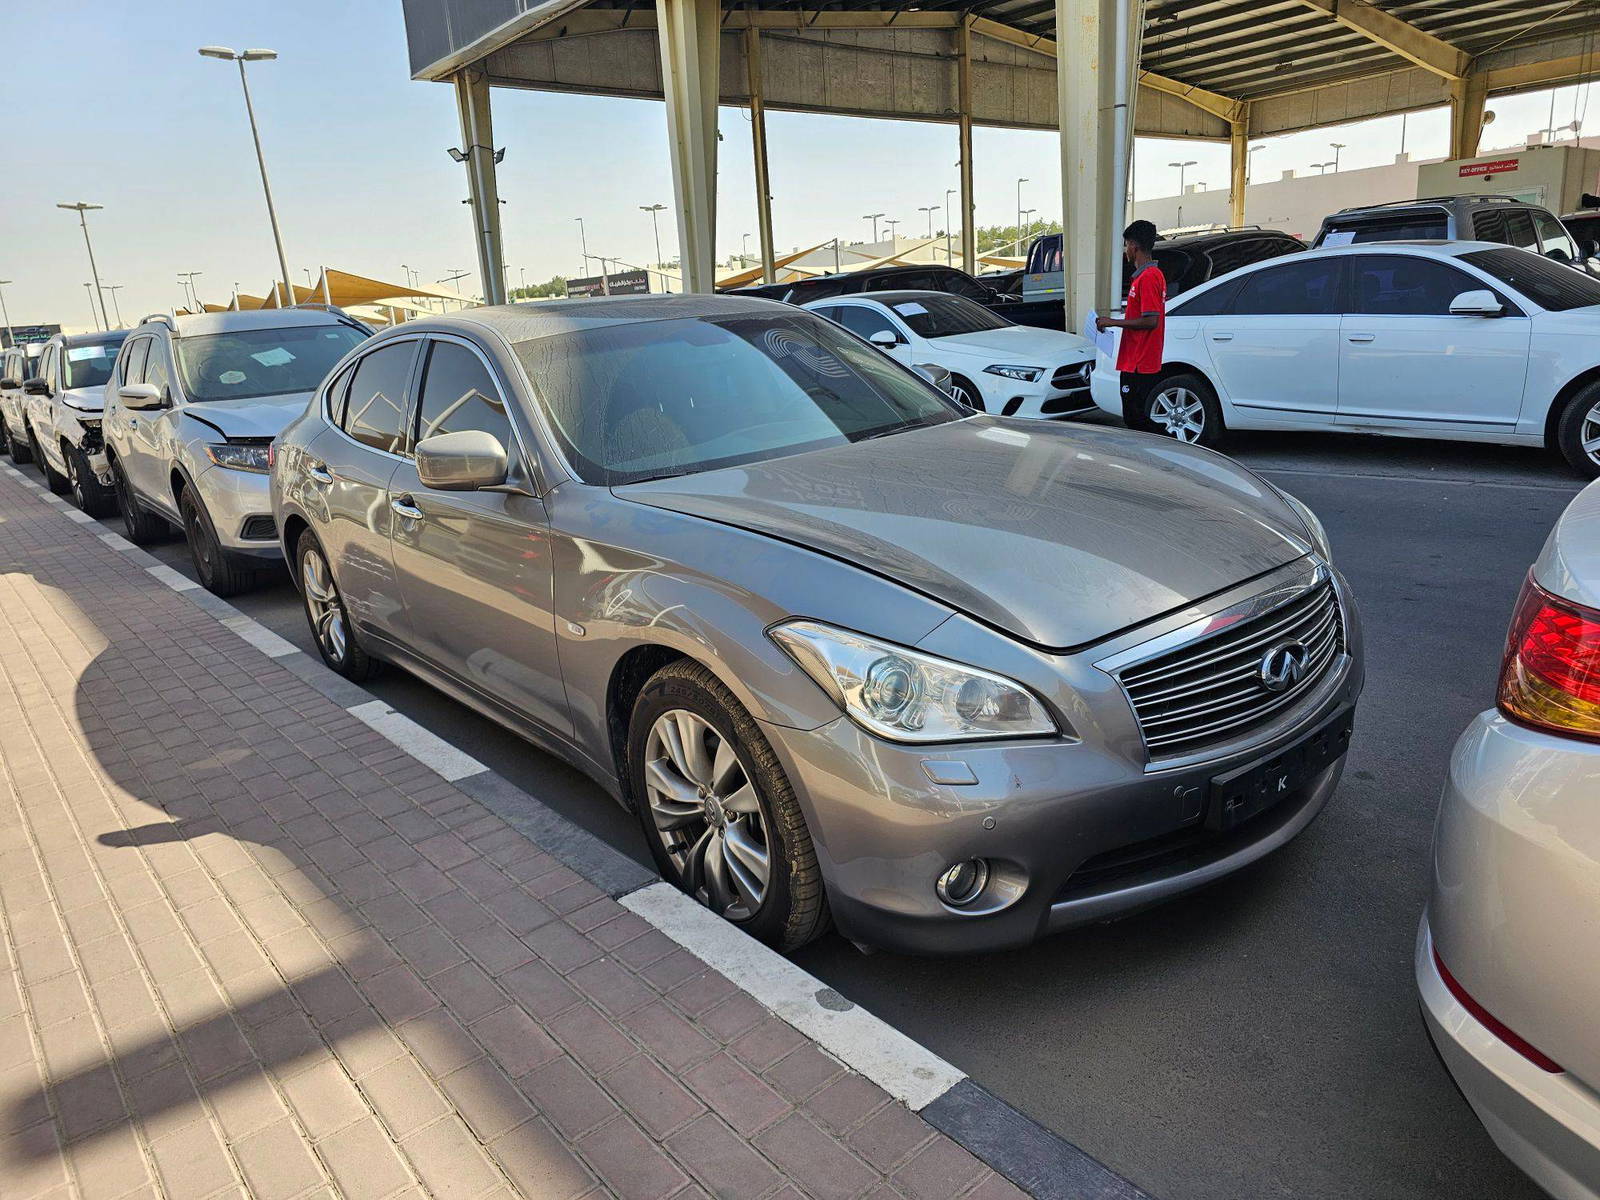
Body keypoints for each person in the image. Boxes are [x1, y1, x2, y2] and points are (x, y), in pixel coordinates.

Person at [1095, 220, 1166, 428]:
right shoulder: (1144, 276)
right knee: (1135, 418)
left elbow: (1151, 320)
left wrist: (1113, 322)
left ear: (1134, 246)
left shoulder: (1149, 277)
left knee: (1136, 419)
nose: (1126, 250)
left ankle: (1167, 443)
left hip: (1140, 361)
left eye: (1126, 245)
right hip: (1134, 359)